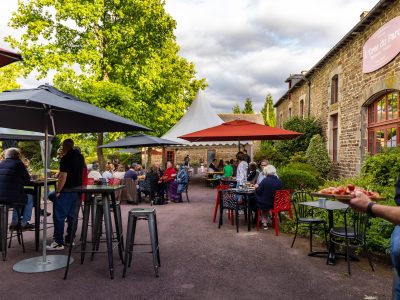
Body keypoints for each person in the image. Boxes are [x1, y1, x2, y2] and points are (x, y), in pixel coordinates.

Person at [47, 139, 84, 250]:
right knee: (72, 217)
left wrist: (58, 190)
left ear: (65, 146)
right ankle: (70, 239)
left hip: (67, 190)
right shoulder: (80, 157)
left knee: (59, 216)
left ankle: (58, 242)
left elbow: (63, 176)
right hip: (78, 189)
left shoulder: (66, 158)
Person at [0, 148, 34, 230]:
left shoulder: (1, 163)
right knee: (29, 197)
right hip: (11, 198)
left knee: (19, 196)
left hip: (1, 196)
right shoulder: (18, 164)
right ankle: (23, 223)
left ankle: (14, 223)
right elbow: (27, 180)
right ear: (17, 155)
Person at [255, 165, 282, 229]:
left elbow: (259, 191)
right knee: (265, 199)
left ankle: (264, 221)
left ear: (266, 172)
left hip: (266, 204)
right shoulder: (279, 181)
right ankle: (268, 218)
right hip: (276, 203)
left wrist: (256, 188)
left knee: (254, 199)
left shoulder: (265, 180)